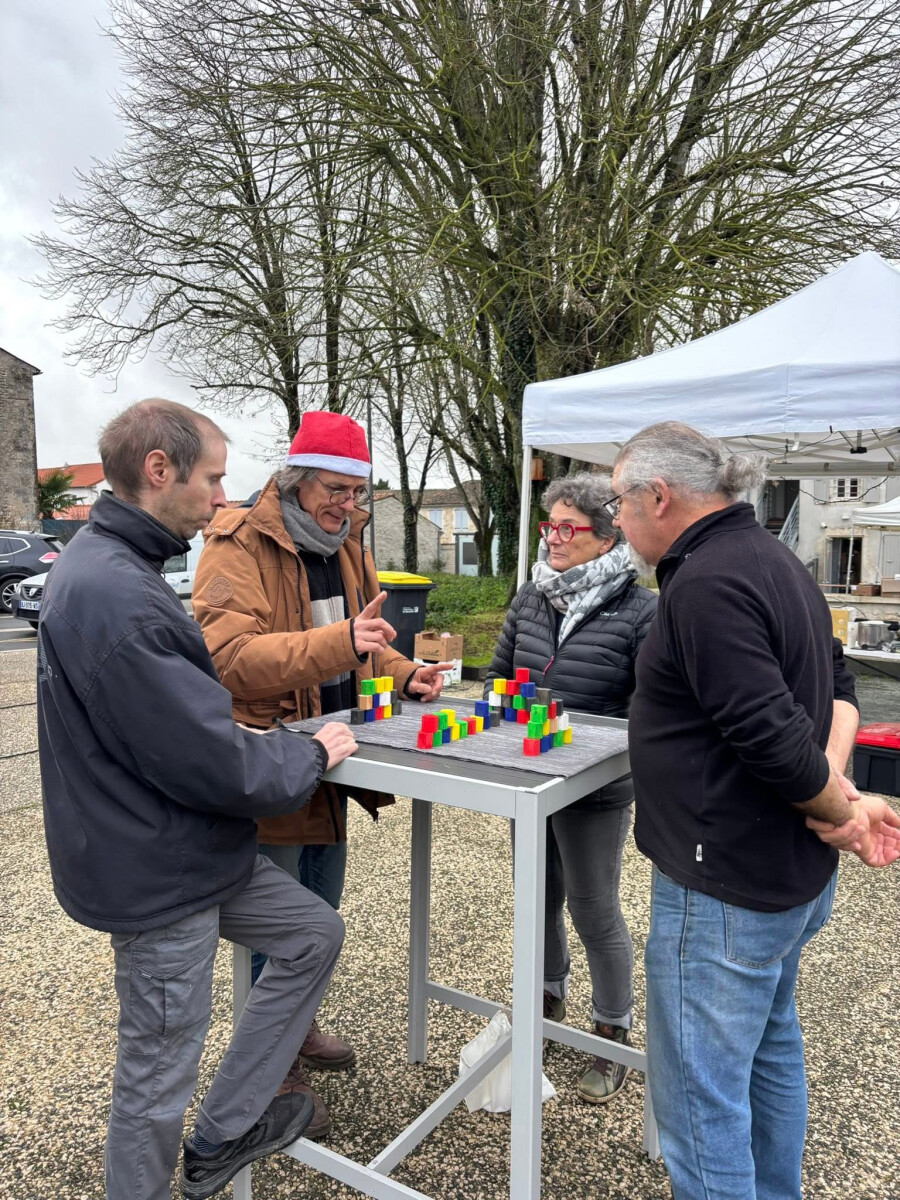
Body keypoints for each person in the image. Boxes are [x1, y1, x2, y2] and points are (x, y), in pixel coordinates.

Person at [36, 398, 359, 1200]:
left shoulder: (115, 567)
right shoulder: (118, 592)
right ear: (159, 470)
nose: (220, 497)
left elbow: (170, 726)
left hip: (182, 843)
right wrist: (305, 753)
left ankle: (224, 1129)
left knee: (312, 931)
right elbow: (210, 757)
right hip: (157, 866)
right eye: (212, 478)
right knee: (155, 1072)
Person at [609, 421, 900, 1200]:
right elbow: (838, 687)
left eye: (618, 504)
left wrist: (840, 807)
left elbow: (770, 735)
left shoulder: (706, 582)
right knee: (770, 1051)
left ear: (658, 496)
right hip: (780, 879)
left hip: (724, 887)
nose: (617, 522)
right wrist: (837, 793)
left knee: (700, 1102)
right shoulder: (774, 558)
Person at [192, 409, 450, 1133]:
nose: (347, 504)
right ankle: (267, 1072)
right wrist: (341, 643)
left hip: (331, 760)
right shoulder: (236, 541)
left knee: (319, 910)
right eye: (335, 490)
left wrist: (404, 672)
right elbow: (227, 659)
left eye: (355, 492)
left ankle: (295, 1029)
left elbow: (364, 639)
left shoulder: (347, 541)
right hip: (270, 756)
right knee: (276, 923)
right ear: (296, 480)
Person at [485, 472, 657, 1103]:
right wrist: (501, 716)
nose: (553, 538)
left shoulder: (641, 610)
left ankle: (612, 1029)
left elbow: (650, 708)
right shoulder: (530, 598)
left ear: (606, 537)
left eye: (567, 528)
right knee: (537, 900)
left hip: (596, 791)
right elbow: (499, 678)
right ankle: (546, 998)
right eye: (548, 525)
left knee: (592, 908)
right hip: (528, 777)